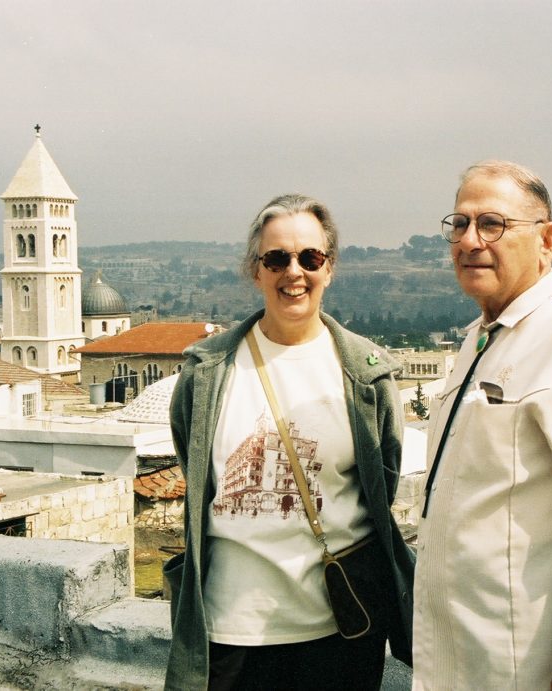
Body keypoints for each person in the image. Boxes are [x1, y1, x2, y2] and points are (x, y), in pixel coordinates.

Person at [165, 193, 414, 691]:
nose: (293, 272)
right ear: (255, 270)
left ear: (330, 267)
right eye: (276, 258)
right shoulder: (206, 373)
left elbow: (379, 487)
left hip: (341, 628)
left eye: (310, 258)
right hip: (231, 627)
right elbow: (197, 477)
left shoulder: (367, 375)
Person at [412, 161, 552, 690]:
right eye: (459, 224)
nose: (471, 241)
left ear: (548, 241)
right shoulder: (478, 338)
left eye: (492, 224)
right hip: (458, 652)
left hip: (528, 660)